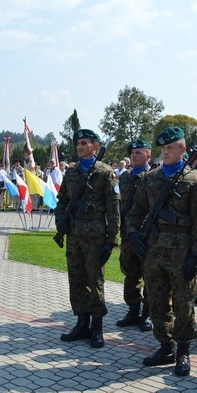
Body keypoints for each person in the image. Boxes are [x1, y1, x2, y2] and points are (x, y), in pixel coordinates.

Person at [126, 127, 197, 376]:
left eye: (171, 147)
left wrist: (196, 256)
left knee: (184, 304)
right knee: (156, 302)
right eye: (163, 148)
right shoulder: (151, 178)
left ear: (183, 149)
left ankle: (183, 352)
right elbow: (135, 211)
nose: (166, 151)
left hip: (182, 253)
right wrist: (133, 234)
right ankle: (165, 346)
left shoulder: (195, 181)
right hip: (154, 252)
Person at [55, 129, 121, 349]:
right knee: (76, 279)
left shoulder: (105, 172)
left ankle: (97, 327)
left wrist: (111, 240)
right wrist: (60, 222)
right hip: (74, 234)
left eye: (84, 143)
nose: (80, 147)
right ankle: (81, 323)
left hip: (95, 235)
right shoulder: (72, 173)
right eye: (78, 143)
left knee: (95, 281)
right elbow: (62, 201)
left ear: (95, 145)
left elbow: (113, 209)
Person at [116, 139, 153, 332]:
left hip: (146, 235)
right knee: (130, 273)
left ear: (148, 155)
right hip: (128, 234)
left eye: (139, 153)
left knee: (149, 274)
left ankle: (147, 313)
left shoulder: (154, 176)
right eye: (132, 153)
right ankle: (133, 310)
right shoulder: (125, 177)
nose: (134, 156)